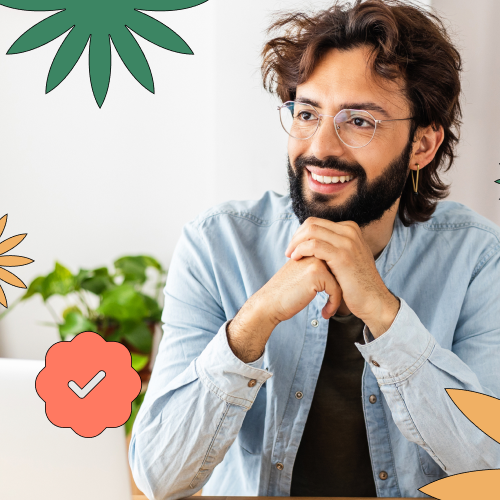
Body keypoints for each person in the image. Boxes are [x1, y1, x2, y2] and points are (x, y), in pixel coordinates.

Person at [129, 1, 500, 499]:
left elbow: (492, 464)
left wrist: (385, 316)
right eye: (307, 113)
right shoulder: (215, 245)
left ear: (422, 146)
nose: (320, 146)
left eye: (360, 121)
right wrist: (253, 322)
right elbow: (158, 477)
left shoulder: (477, 257)